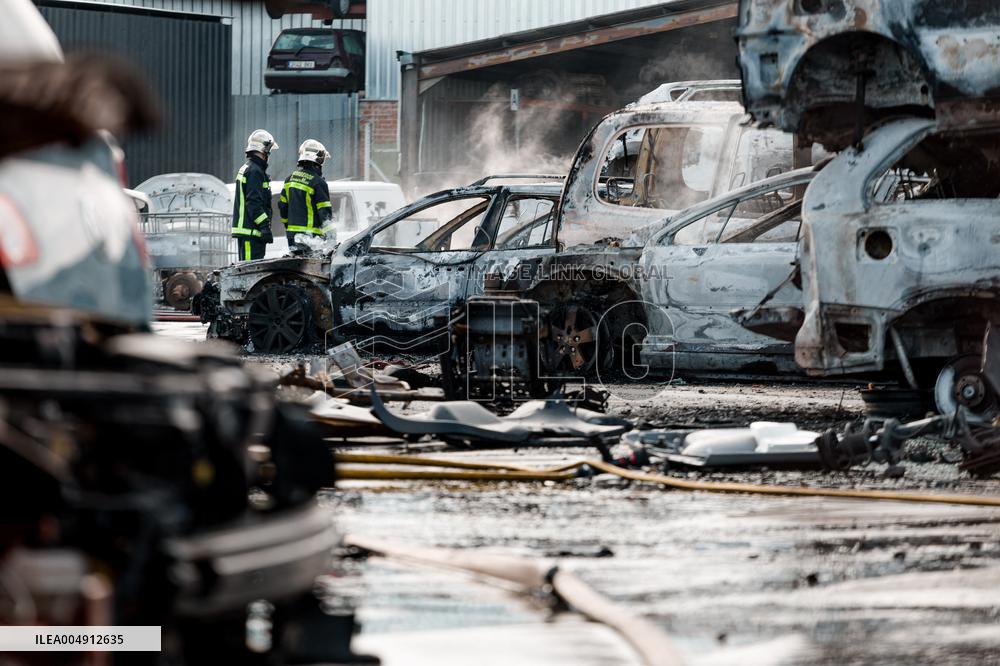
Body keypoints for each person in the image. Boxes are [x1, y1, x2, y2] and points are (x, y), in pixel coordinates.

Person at [279, 139, 334, 253]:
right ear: (318, 163)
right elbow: (325, 213)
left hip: (292, 236)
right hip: (311, 238)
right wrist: (331, 237)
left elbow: (282, 206)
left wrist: (287, 226)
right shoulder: (318, 182)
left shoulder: (290, 179)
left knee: (295, 268)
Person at [232, 129, 277, 261]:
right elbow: (253, 202)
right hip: (251, 232)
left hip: (248, 232)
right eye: (269, 150)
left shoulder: (249, 168)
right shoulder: (255, 171)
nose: (269, 154)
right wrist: (264, 226)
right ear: (263, 149)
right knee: (249, 272)